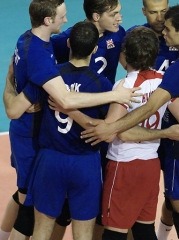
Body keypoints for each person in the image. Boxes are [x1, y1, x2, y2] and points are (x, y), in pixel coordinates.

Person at [81, 3, 179, 239]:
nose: (163, 31)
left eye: (167, 28)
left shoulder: (125, 87)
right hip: (153, 163)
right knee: (145, 227)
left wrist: (103, 124)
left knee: (119, 226)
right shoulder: (170, 74)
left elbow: (128, 126)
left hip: (128, 164)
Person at [2, 0, 140, 239]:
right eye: (62, 16)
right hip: (56, 147)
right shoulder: (49, 65)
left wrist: (9, 82)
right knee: (29, 201)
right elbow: (64, 101)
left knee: (33, 208)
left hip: (47, 151)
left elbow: (19, 99)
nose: (65, 19)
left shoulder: (34, 45)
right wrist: (115, 97)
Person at [26, 20, 116, 240]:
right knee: (83, 234)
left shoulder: (51, 76)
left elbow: (28, 106)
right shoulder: (102, 86)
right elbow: (107, 129)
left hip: (50, 160)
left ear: (68, 43)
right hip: (84, 163)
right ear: (95, 49)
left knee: (41, 230)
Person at [51, 0, 125, 84]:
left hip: (108, 94)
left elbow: (128, 64)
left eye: (119, 12)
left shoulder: (118, 33)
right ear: (96, 16)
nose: (119, 18)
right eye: (113, 14)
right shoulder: (69, 38)